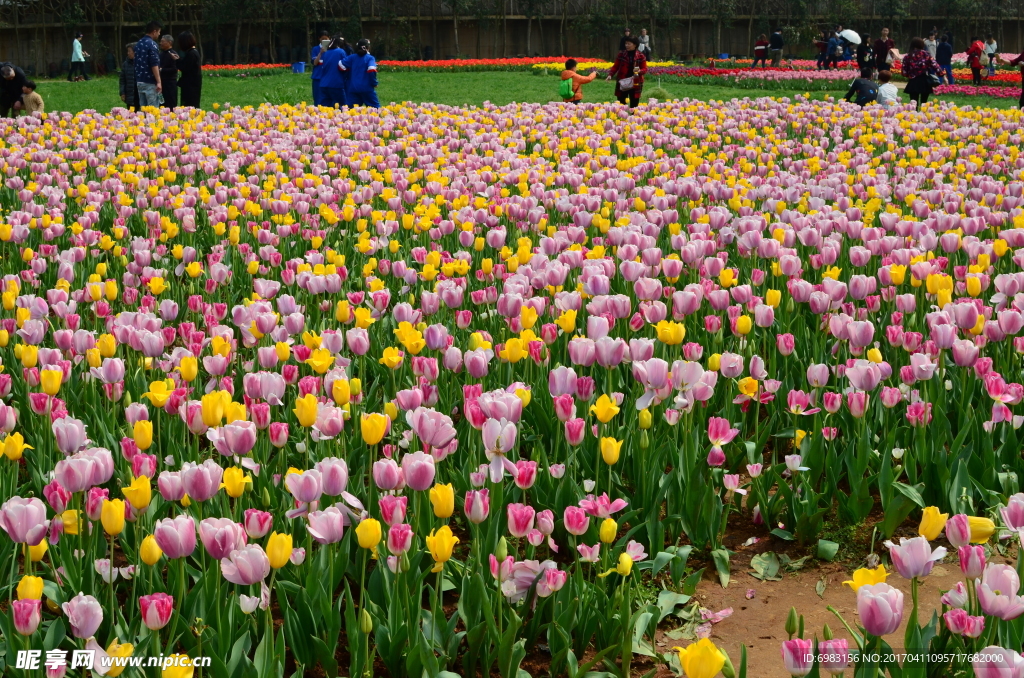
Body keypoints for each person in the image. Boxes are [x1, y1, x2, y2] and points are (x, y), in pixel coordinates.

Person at [606, 35, 647, 108]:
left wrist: (639, 71)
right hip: (623, 81)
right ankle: (622, 117)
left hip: (636, 82)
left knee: (634, 104)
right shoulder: (621, 54)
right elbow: (616, 66)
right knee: (621, 103)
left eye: (629, 44)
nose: (626, 45)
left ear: (635, 45)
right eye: (626, 43)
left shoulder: (641, 56)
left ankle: (634, 118)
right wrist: (610, 75)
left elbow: (645, 69)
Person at [901, 37, 942, 106]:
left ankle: (914, 115)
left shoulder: (908, 56)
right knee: (924, 102)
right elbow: (935, 65)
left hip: (913, 81)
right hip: (924, 80)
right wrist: (941, 73)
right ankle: (923, 115)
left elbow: (904, 72)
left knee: (913, 103)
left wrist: (910, 74)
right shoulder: (926, 54)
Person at [342, 39, 380, 109]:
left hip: (353, 88)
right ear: (368, 48)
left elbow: (341, 65)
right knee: (375, 109)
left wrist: (347, 76)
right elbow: (371, 69)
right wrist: (374, 83)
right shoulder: (370, 58)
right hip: (367, 88)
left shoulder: (352, 57)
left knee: (352, 110)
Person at [135, 22, 164, 108]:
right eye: (159, 32)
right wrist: (158, 81)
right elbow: (154, 64)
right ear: (154, 31)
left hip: (140, 81)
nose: (159, 34)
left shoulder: (139, 43)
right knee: (152, 112)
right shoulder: (152, 44)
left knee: (143, 110)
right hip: (150, 82)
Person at [317, 37, 348, 108]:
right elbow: (345, 65)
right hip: (336, 83)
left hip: (324, 84)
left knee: (324, 108)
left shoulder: (326, 53)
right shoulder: (341, 52)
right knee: (341, 107)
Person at [176, 32, 201, 108]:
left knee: (189, 106)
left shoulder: (191, 54)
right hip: (193, 85)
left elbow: (185, 67)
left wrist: (177, 60)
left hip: (190, 87)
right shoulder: (194, 52)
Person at [159, 35, 179, 110]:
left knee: (170, 105)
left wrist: (161, 70)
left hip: (170, 84)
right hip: (161, 83)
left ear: (169, 43)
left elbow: (174, 69)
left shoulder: (173, 54)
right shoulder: (160, 54)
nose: (160, 43)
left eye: (162, 41)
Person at [311, 29, 330, 105]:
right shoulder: (315, 49)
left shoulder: (332, 49)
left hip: (328, 76)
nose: (324, 40)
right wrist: (320, 53)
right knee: (318, 98)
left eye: (326, 39)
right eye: (322, 39)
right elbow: (315, 63)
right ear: (319, 39)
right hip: (318, 76)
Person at [119, 43, 138, 110]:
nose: (128, 53)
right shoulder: (125, 64)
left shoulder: (141, 63)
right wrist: (122, 92)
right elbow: (122, 80)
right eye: (128, 51)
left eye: (129, 51)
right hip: (129, 95)